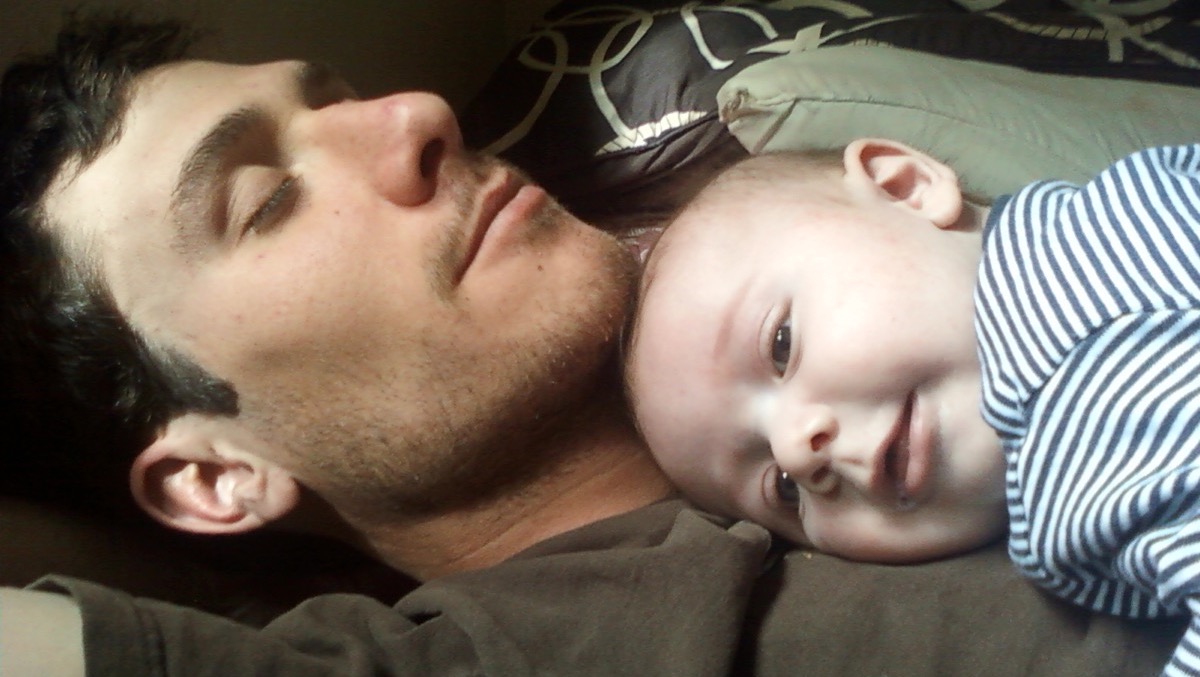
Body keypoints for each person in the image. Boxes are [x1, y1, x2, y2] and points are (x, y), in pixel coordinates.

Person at [0, 12, 1182, 676]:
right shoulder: (508, 651)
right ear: (213, 476)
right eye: (266, 199)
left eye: (338, 96)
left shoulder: (866, 257)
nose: (416, 116)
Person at [624, 137, 1200, 676]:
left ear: (905, 187)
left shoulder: (1084, 419)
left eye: (781, 343)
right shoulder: (1130, 200)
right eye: (784, 489)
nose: (797, 451)